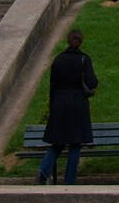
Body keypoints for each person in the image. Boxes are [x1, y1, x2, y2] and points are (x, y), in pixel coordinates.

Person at [37, 29, 97, 185]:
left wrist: (53, 105)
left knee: (57, 142)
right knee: (75, 144)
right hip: (78, 104)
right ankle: (69, 180)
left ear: (67, 41)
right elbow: (92, 82)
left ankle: (44, 170)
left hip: (59, 104)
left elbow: (53, 85)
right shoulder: (84, 59)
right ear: (80, 42)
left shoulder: (58, 60)